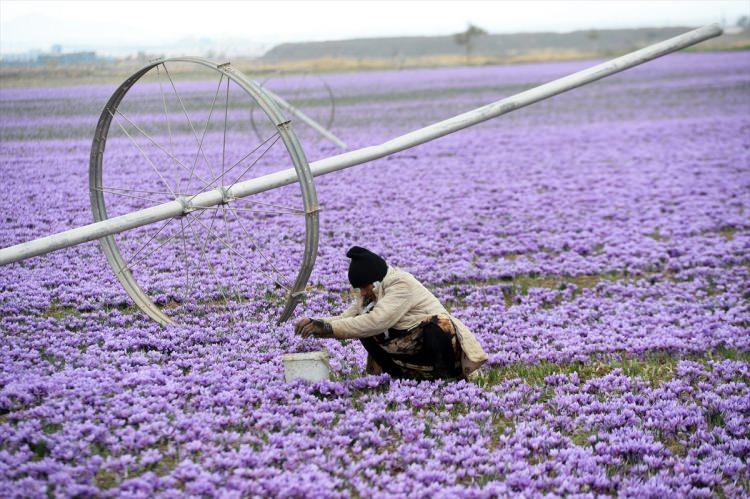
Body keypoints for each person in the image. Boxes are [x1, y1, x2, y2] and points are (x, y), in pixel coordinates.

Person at [295, 246, 488, 380]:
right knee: (360, 326)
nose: (362, 293)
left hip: (436, 344)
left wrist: (328, 327)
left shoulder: (400, 283)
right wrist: (317, 323)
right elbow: (347, 319)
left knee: (438, 325)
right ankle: (400, 377)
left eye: (364, 287)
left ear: (376, 281)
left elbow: (377, 321)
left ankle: (447, 378)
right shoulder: (372, 293)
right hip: (409, 347)